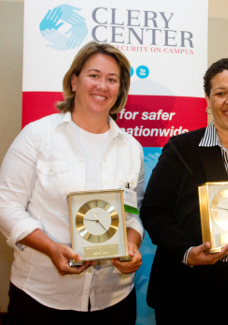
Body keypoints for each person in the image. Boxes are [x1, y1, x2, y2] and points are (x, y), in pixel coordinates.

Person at [0, 42, 144, 324]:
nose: (102, 86)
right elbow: (6, 205)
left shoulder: (132, 149)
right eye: (94, 75)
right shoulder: (37, 135)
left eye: (112, 79)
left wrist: (131, 244)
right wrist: (50, 248)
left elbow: (132, 215)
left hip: (113, 300)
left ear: (120, 90)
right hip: (41, 297)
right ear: (74, 80)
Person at [140, 58, 228, 324]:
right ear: (208, 99)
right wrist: (188, 252)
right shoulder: (182, 149)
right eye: (221, 93)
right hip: (191, 290)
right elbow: (154, 211)